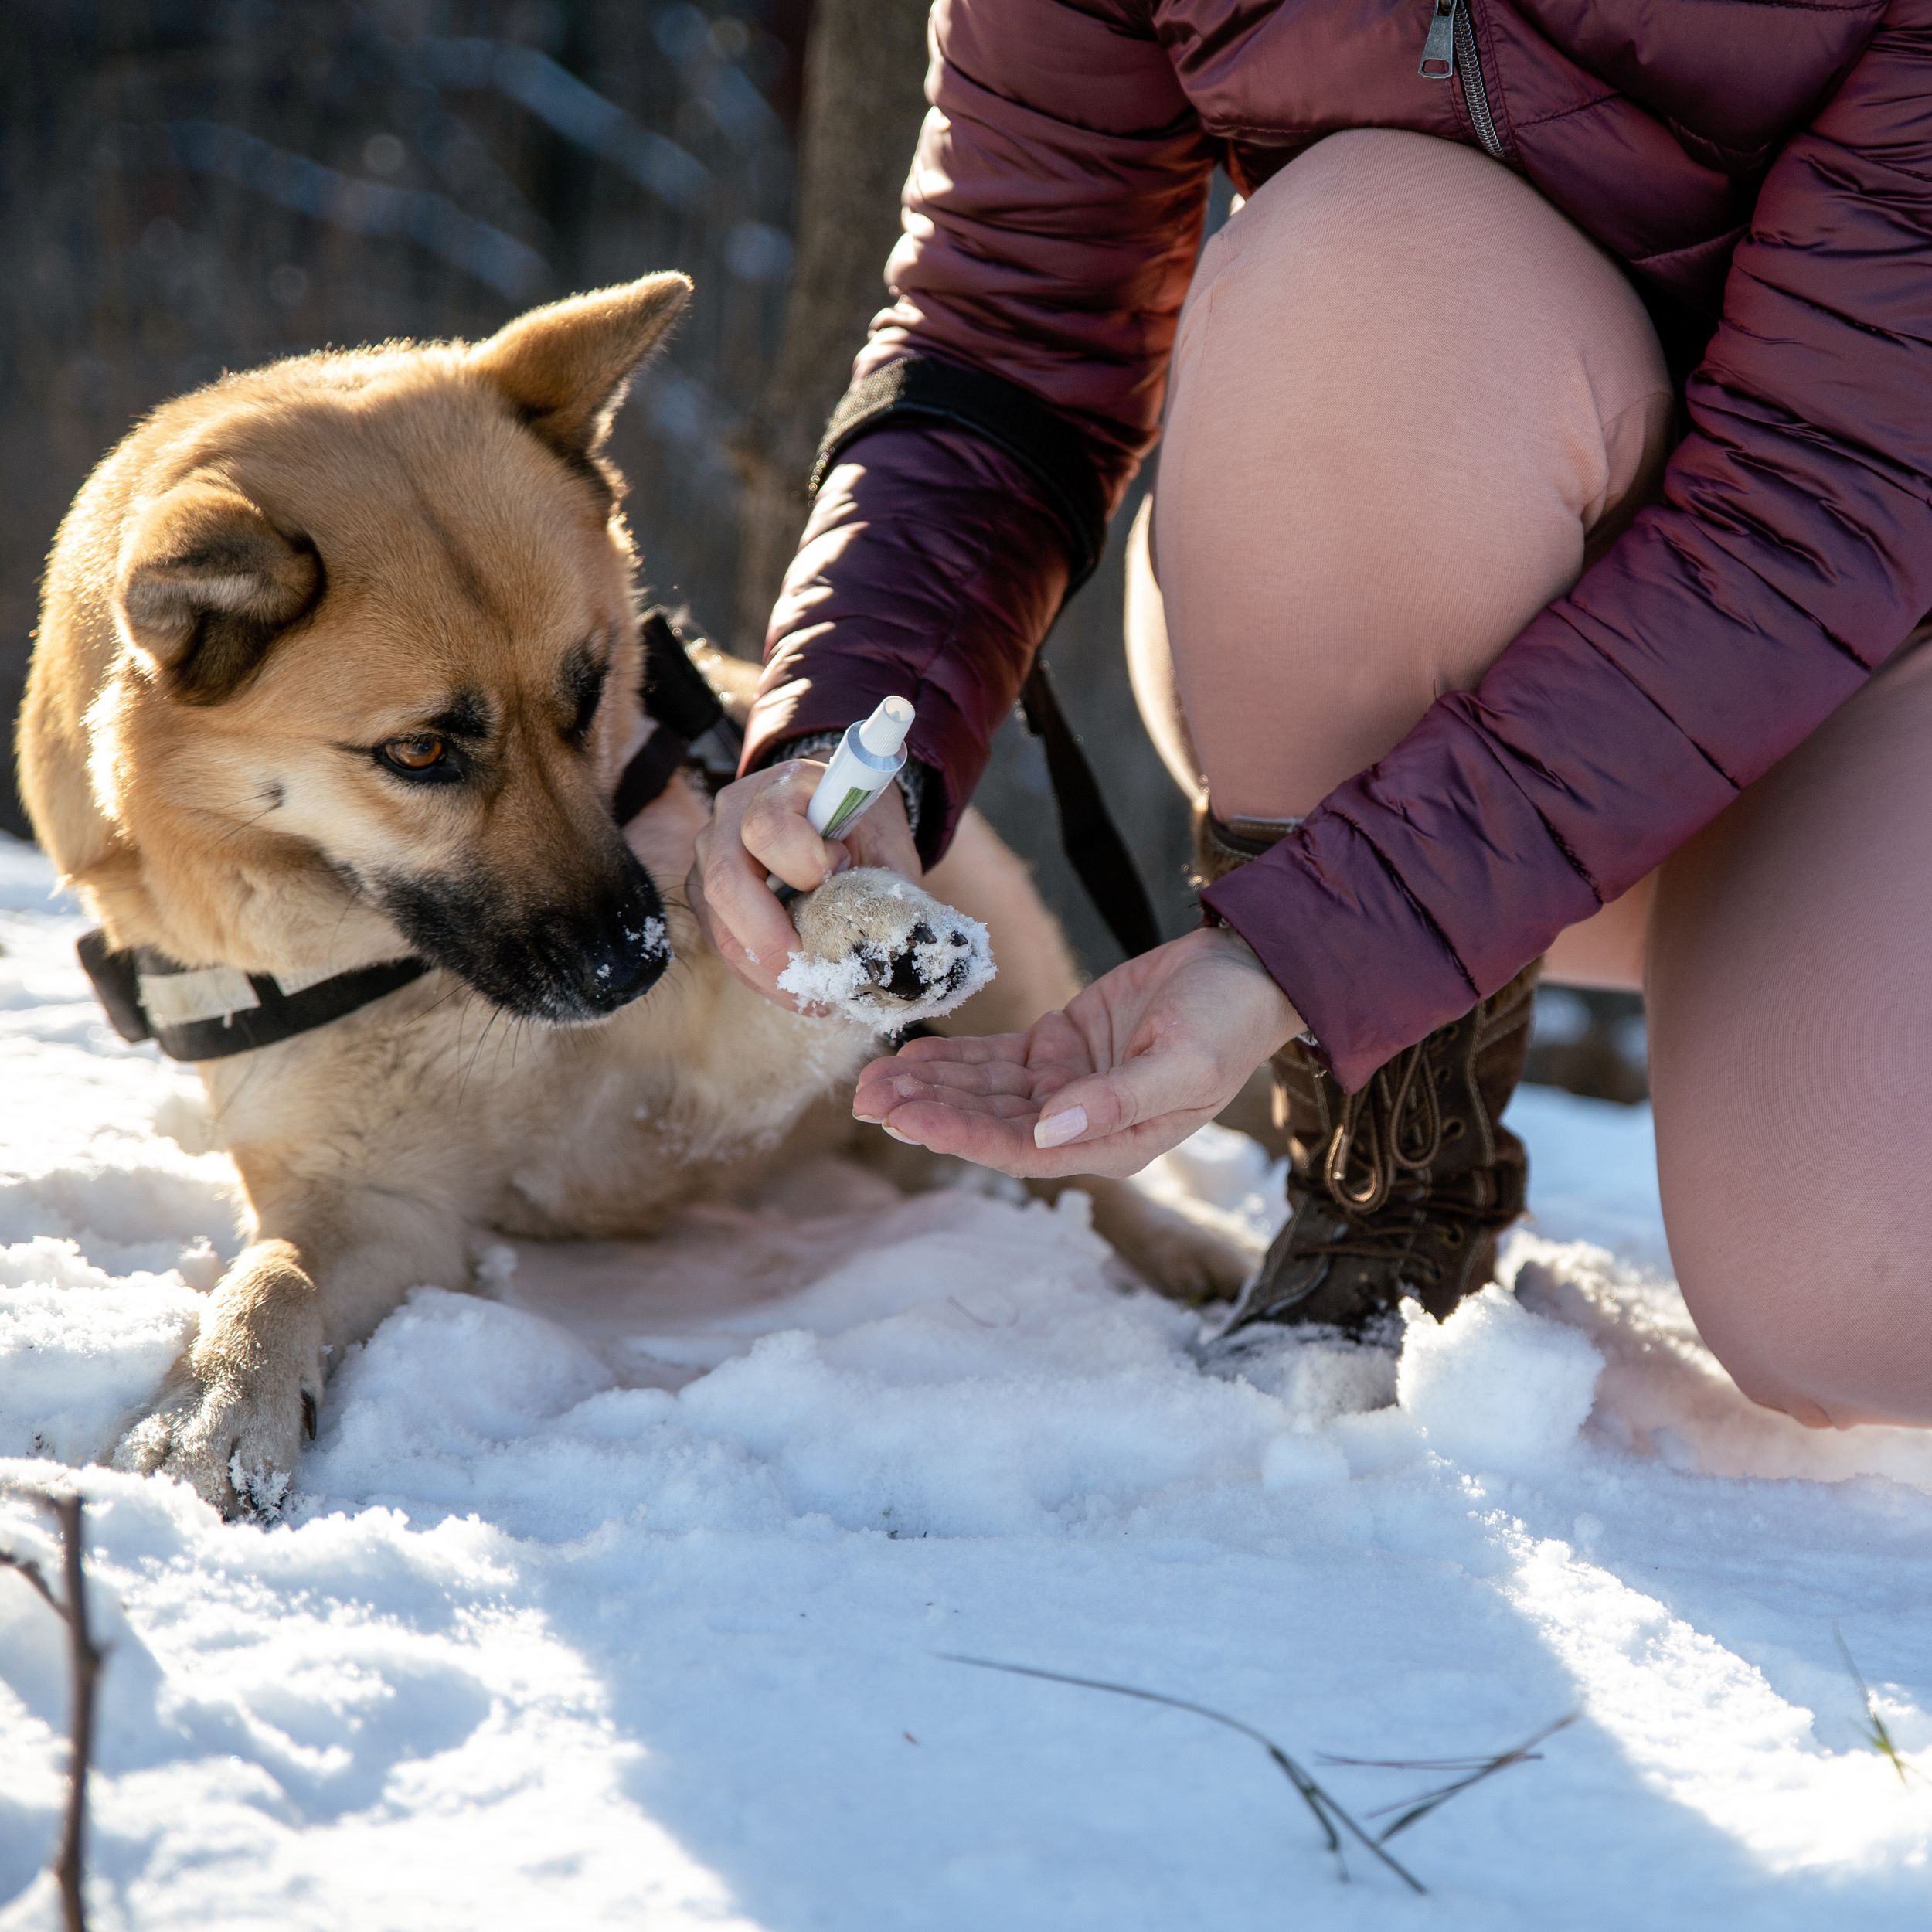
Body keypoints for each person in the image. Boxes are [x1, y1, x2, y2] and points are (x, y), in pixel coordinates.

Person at [690, 1, 1932, 1430]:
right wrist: (840, 747)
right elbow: (1011, 331)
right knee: (1371, 262)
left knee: (1859, 1298)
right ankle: (1384, 1201)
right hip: (1379, 535)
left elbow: (1816, 507)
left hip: (1864, 636)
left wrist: (1308, 944)